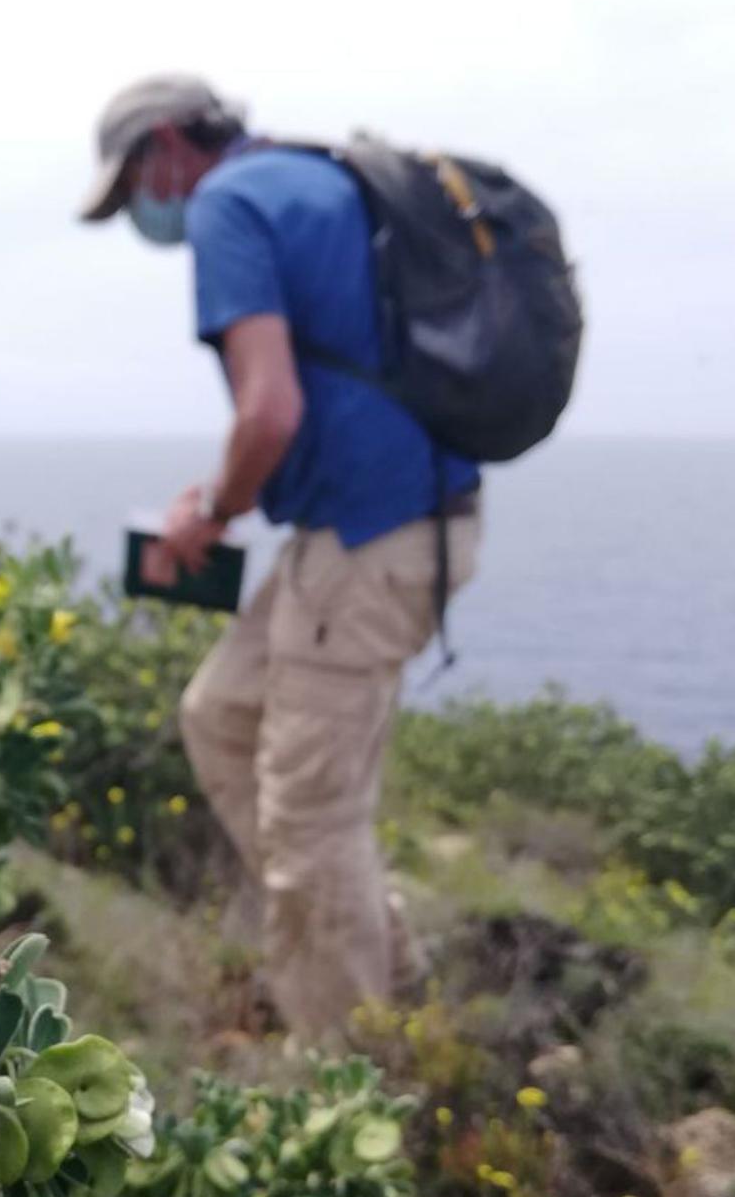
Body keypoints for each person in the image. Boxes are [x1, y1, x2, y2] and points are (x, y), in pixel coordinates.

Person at [78, 74, 483, 1042]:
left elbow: (267, 409)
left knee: (308, 828)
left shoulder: (228, 204)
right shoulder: (312, 176)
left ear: (167, 146)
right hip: (374, 527)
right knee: (219, 713)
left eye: (133, 180)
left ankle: (350, 1085)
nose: (139, 208)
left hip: (370, 544)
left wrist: (209, 513)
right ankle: (375, 963)